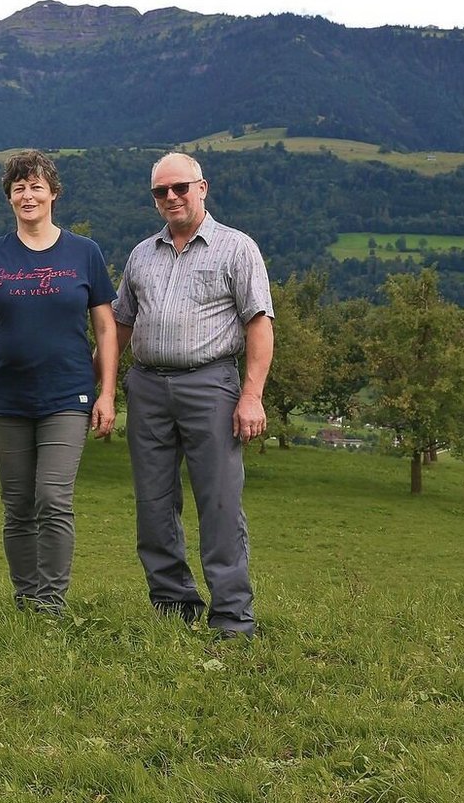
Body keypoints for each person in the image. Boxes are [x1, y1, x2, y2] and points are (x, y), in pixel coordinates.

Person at [112, 152, 274, 640]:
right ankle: (172, 606)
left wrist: (252, 395)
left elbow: (259, 324)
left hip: (212, 387)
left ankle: (232, 617)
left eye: (179, 187)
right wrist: (101, 383)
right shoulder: (142, 254)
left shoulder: (236, 248)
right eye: (160, 192)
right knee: (154, 503)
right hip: (146, 387)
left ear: (203, 187)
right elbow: (120, 323)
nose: (171, 198)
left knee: (219, 501)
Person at [0, 149, 118, 615]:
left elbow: (106, 326)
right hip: (7, 396)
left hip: (68, 394)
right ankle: (26, 600)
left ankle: (51, 602)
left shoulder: (84, 253)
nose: (27, 195)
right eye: (18, 188)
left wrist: (107, 393)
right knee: (18, 504)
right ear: (10, 198)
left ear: (54, 193)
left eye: (36, 187)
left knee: (52, 496)